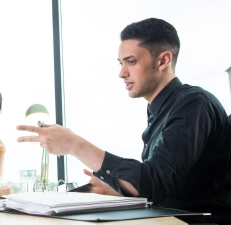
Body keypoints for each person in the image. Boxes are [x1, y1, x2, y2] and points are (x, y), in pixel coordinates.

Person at [17, 18, 231, 223]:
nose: (121, 73)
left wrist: (74, 144)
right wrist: (121, 188)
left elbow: (155, 183)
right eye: (121, 63)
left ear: (163, 60)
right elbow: (164, 184)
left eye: (131, 61)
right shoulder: (161, 110)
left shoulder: (193, 104)